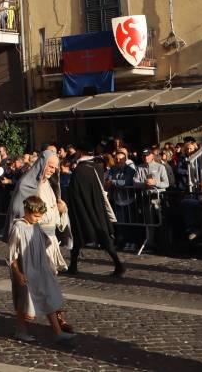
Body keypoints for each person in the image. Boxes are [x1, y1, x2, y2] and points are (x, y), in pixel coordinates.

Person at [8, 196, 76, 343]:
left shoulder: (36, 226)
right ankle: (21, 330)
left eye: (40, 216)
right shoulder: (18, 228)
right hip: (25, 270)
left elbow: (42, 247)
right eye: (35, 216)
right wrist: (18, 273)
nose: (37, 219)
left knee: (49, 298)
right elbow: (12, 255)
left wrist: (50, 263)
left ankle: (57, 332)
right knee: (23, 303)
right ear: (26, 210)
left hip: (41, 268)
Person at [66, 142, 125, 277]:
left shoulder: (81, 170)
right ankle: (73, 265)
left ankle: (118, 265)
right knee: (99, 236)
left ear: (80, 153)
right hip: (97, 206)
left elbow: (74, 191)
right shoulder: (97, 166)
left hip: (83, 208)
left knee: (79, 235)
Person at [8, 151, 71, 275]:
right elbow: (19, 212)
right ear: (42, 164)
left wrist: (62, 210)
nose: (53, 171)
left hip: (50, 240)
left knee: (49, 280)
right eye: (51, 167)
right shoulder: (26, 184)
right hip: (34, 240)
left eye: (55, 168)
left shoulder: (49, 183)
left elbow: (55, 211)